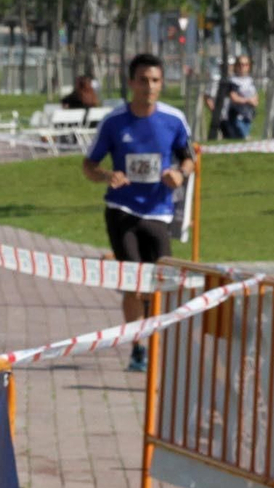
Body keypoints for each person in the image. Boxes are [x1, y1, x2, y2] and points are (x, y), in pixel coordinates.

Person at [81, 52, 195, 372]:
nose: (149, 87)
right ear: (131, 83)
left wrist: (180, 174)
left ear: (162, 83)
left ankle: (157, 340)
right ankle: (139, 348)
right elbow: (88, 165)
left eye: (155, 80)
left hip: (158, 212)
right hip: (122, 210)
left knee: (160, 283)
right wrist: (107, 175)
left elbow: (189, 158)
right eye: (143, 80)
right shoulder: (114, 122)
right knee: (134, 279)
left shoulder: (174, 119)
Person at [218, 55, 258, 138]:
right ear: (236, 66)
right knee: (242, 137)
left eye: (246, 64)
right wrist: (248, 101)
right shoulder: (233, 81)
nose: (242, 67)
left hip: (248, 115)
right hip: (236, 116)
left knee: (244, 138)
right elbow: (234, 97)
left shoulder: (250, 80)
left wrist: (254, 101)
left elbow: (255, 96)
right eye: (240, 64)